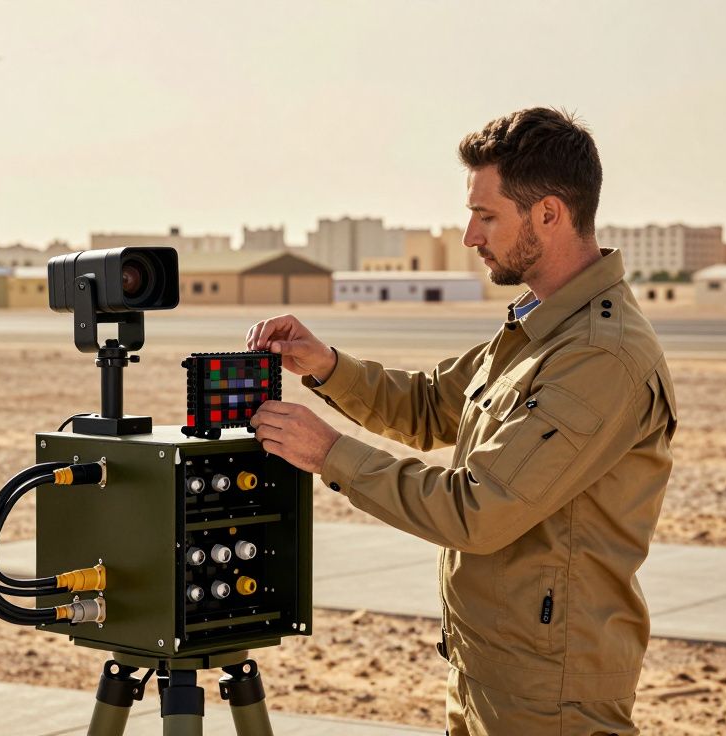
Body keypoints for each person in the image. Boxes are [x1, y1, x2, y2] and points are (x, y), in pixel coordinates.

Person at [247, 107, 677, 735]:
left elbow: (478, 510)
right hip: (490, 670)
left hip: (549, 692)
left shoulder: (598, 355)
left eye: (486, 215)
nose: (472, 236)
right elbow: (429, 406)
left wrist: (329, 453)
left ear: (549, 214)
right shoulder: (540, 329)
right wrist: (326, 366)